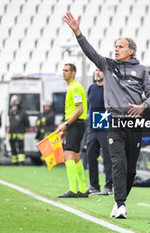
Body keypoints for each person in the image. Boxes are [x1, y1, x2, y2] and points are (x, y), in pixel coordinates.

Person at [64, 12, 150, 219]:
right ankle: (121, 204)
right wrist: (78, 32)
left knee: (131, 169)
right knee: (118, 162)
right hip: (114, 121)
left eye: (121, 46)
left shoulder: (141, 71)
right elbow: (90, 52)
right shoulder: (108, 65)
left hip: (134, 123)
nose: (116, 49)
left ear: (131, 51)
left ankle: (119, 202)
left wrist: (143, 106)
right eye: (115, 46)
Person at [56, 63, 88, 198]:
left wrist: (66, 124)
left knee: (68, 154)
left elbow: (79, 109)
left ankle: (73, 190)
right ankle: (82, 189)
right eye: (63, 70)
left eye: (66, 70)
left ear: (73, 73)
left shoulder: (74, 87)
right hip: (76, 124)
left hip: (75, 124)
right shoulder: (73, 87)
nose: (63, 72)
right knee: (74, 156)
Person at [86, 68, 113, 195]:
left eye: (100, 70)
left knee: (107, 158)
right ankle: (94, 185)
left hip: (106, 128)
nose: (97, 72)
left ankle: (108, 186)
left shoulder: (110, 89)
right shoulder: (91, 88)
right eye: (96, 70)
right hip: (92, 128)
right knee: (90, 156)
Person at [8, 100, 30, 165]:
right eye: (13, 106)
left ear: (18, 106)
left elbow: (27, 124)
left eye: (15, 106)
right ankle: (15, 162)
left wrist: (23, 130)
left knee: (20, 148)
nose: (13, 107)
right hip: (11, 134)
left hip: (19, 134)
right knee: (13, 148)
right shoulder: (11, 112)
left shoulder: (23, 113)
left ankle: (21, 162)